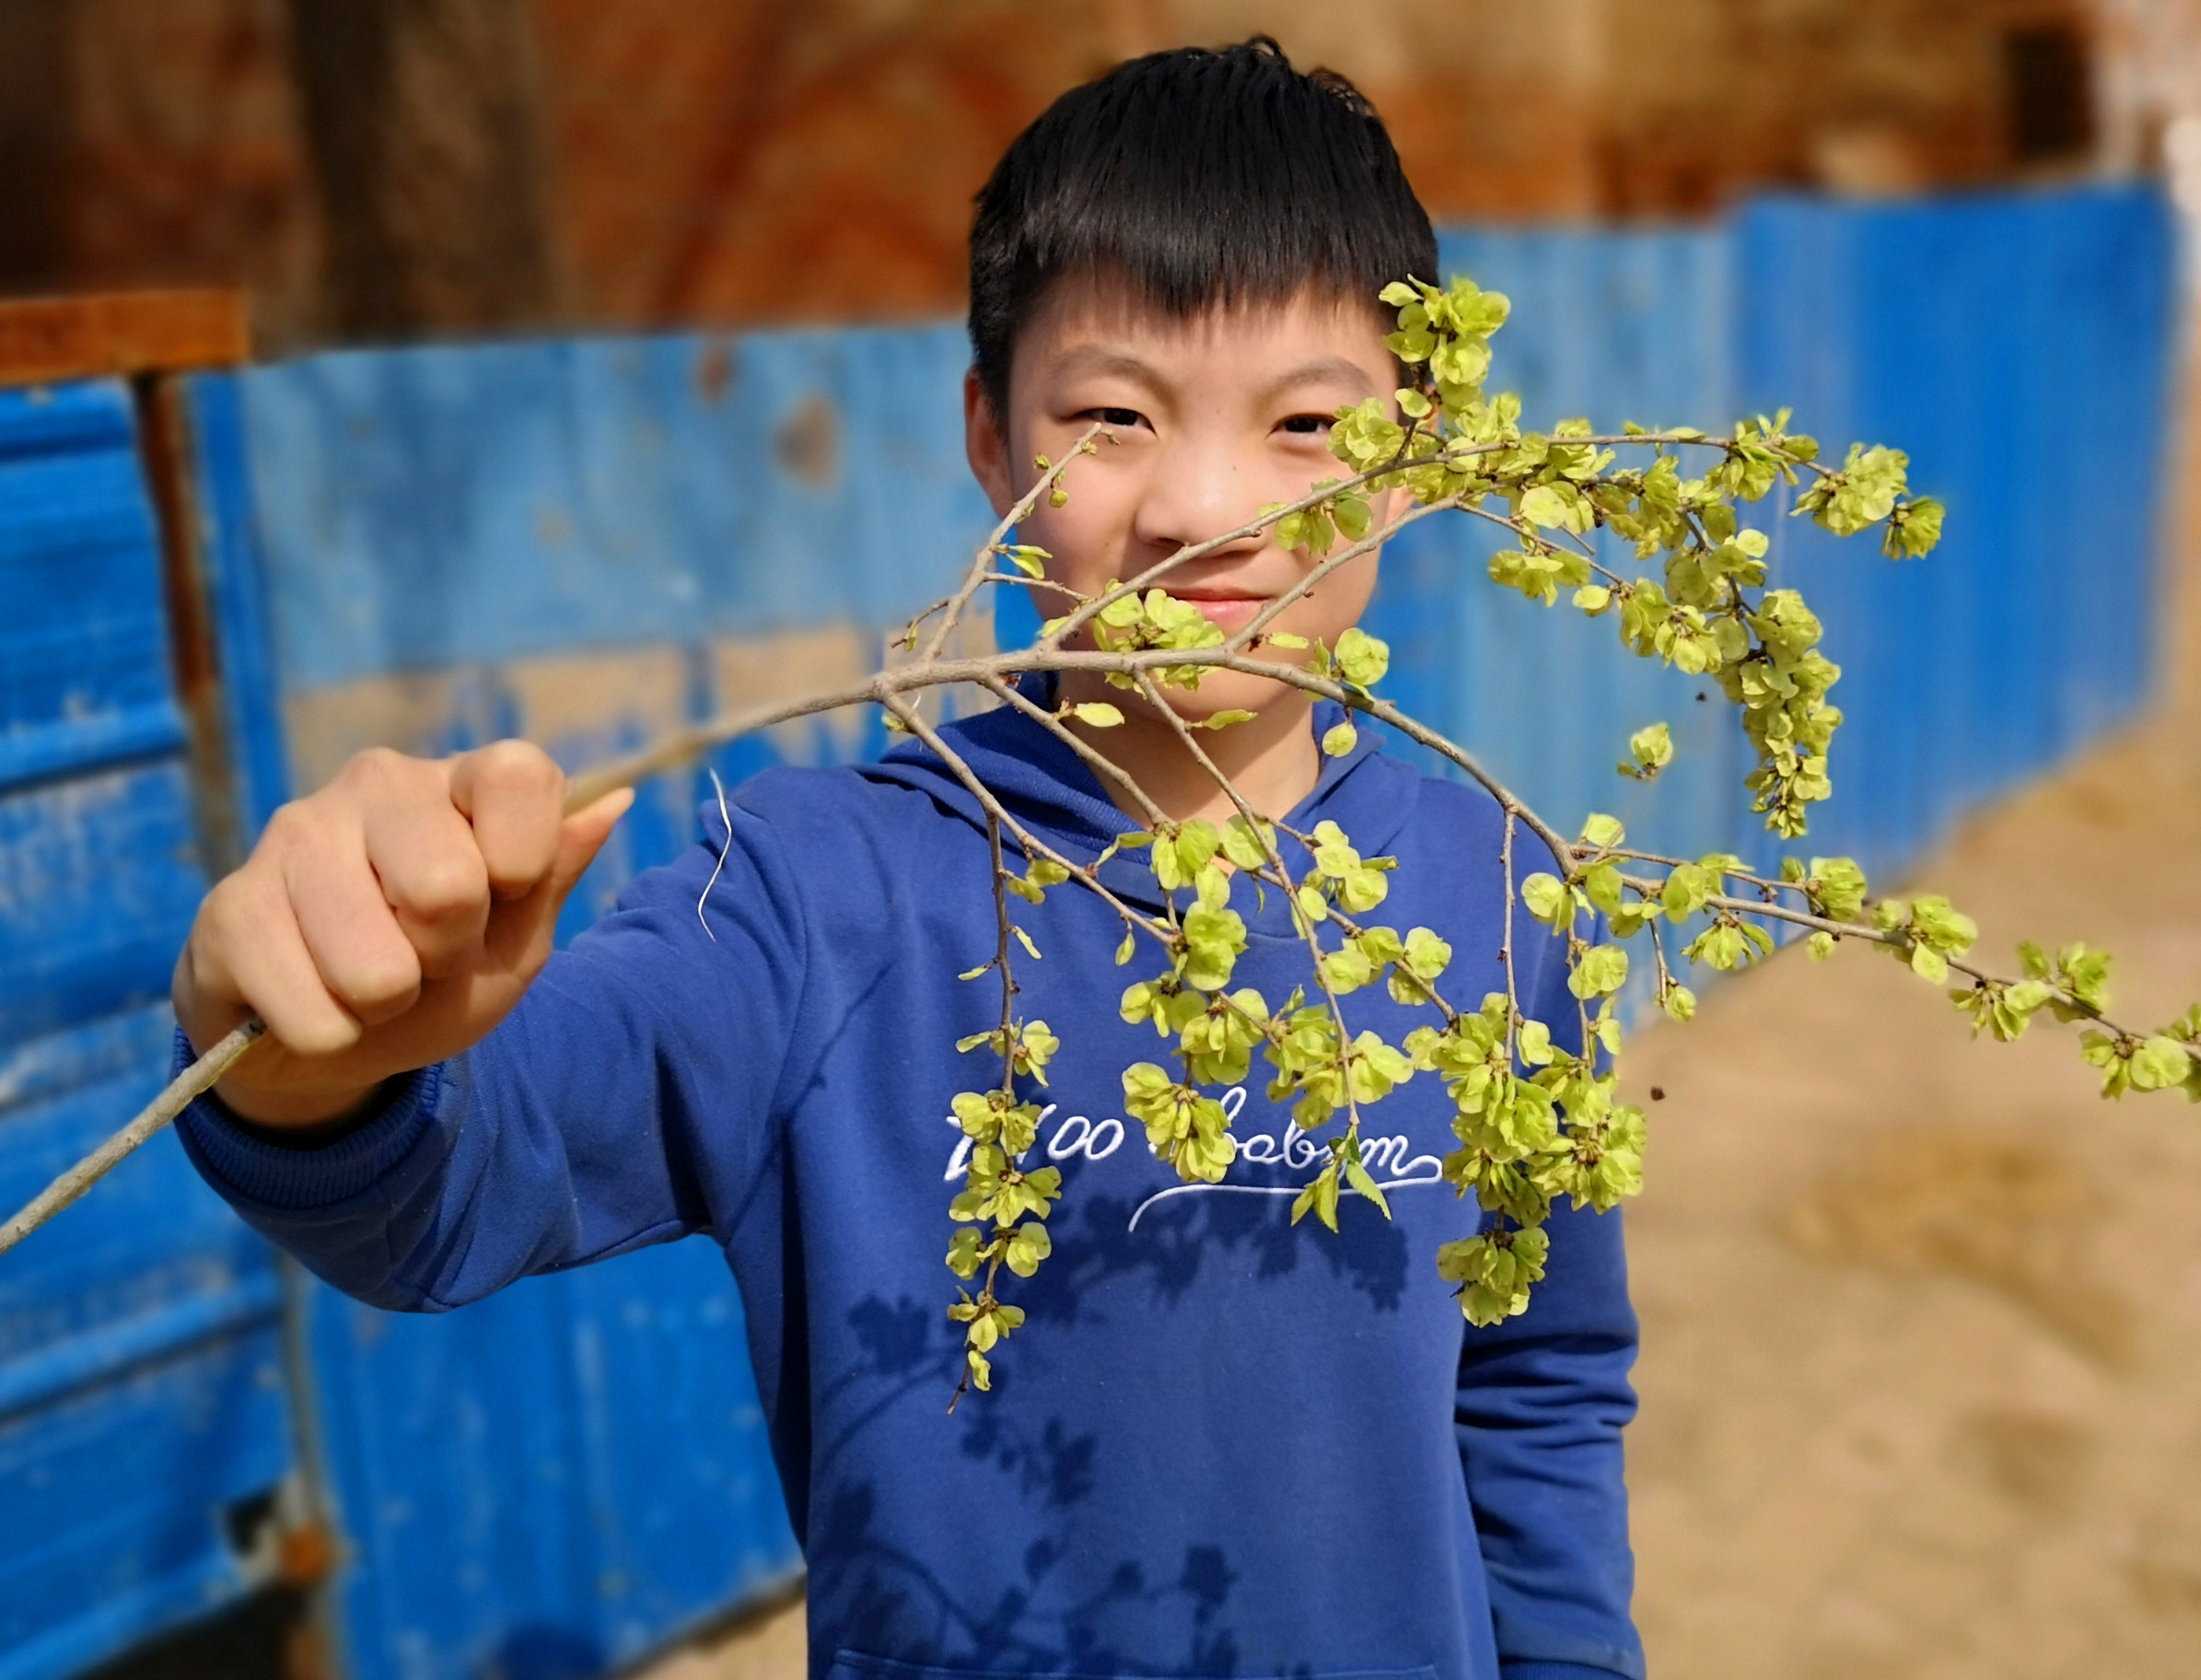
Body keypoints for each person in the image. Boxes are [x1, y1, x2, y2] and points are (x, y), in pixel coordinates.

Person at [170, 39, 1641, 1680]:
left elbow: (1537, 1383)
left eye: (1308, 422)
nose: (1207, 511)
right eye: (1113, 418)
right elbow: (458, 1174)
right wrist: (324, 1062)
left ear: (1419, 456)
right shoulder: (819, 897)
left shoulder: (1500, 897)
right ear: (994, 442)